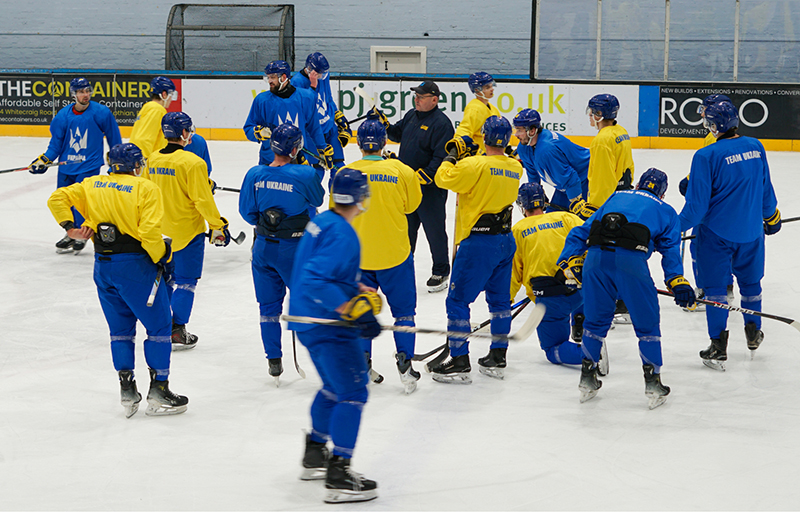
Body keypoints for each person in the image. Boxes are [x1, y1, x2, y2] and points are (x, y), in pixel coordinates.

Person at [46, 143, 188, 417]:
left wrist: (69, 227)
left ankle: (127, 389)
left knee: (120, 330)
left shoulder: (92, 183)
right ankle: (159, 389)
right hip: (135, 267)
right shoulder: (145, 188)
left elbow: (57, 198)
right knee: (159, 328)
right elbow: (148, 233)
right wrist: (163, 255)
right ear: (136, 166)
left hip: (103, 266)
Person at [557, 168, 696, 409]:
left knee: (595, 321)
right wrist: (677, 281)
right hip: (630, 263)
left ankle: (587, 378)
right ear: (662, 193)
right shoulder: (666, 211)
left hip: (595, 261)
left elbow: (580, 231)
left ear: (639, 184)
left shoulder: (616, 196)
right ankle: (653, 383)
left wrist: (568, 261)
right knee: (647, 323)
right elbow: (670, 251)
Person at [288, 168, 380, 503]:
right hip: (327, 325)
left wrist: (354, 286)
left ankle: (315, 455)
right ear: (359, 198)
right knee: (353, 392)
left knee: (332, 388)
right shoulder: (344, 233)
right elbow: (315, 280)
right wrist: (351, 308)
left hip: (307, 322)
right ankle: (339, 473)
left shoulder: (322, 222)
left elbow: (319, 269)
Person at [678, 100, 781, 371]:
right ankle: (753, 332)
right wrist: (771, 216)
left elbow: (696, 209)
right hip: (751, 232)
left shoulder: (705, 156)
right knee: (751, 285)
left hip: (716, 235)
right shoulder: (756, 146)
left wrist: (672, 228)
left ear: (713, 125)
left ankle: (718, 345)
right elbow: (765, 189)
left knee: (714, 290)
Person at [430, 115, 522, 383]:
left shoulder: (473, 164)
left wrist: (451, 155)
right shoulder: (514, 167)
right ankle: (498, 355)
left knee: (458, 301)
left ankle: (459, 360)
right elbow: (497, 165)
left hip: (478, 243)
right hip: (505, 241)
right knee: (500, 302)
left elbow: (442, 178)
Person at [238, 123, 325, 385]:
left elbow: (247, 213)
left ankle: (273, 361)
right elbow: (318, 200)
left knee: (267, 308)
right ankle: (324, 360)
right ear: (297, 148)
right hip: (294, 249)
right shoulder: (305, 174)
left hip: (264, 247)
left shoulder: (255, 174)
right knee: (308, 303)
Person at [346, 114, 423, 394]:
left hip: (359, 258)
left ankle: (361, 362)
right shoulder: (401, 170)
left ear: (358, 143)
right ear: (384, 142)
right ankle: (405, 362)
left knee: (361, 310)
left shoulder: (346, 173)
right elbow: (412, 205)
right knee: (404, 313)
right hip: (395, 255)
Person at [143, 111, 232, 350]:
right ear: (184, 133)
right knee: (186, 282)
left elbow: (145, 192)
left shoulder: (151, 159)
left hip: (160, 232)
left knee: (166, 280)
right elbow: (202, 201)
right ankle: (177, 329)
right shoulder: (193, 163)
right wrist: (217, 225)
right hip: (188, 232)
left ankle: (161, 326)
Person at [29, 77, 122, 254]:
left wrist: (116, 163)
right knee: (63, 201)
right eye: (81, 92)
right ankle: (71, 233)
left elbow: (114, 139)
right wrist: (43, 160)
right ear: (74, 94)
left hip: (89, 165)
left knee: (82, 205)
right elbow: (55, 145)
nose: (85, 95)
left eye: (87, 91)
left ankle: (82, 234)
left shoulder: (101, 112)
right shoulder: (63, 116)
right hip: (66, 166)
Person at [378, 80, 455, 293]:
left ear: (434, 99)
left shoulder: (442, 124)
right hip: (407, 188)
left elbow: (442, 156)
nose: (417, 99)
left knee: (435, 231)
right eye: (416, 96)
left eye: (421, 96)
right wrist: (384, 124)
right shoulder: (412, 115)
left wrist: (425, 175)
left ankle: (441, 271)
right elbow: (395, 134)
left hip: (430, 191)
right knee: (406, 230)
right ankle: (403, 267)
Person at [510, 182, 587, 365]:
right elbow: (589, 243)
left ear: (522, 206)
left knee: (553, 349)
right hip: (581, 294)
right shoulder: (567, 218)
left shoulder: (518, 230)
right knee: (578, 277)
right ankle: (580, 321)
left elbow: (512, 273)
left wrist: (506, 300)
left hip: (551, 299)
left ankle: (588, 354)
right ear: (544, 202)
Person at [678, 94, 735, 311]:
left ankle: (705, 288)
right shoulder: (726, 136)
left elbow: (708, 171)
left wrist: (690, 182)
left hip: (710, 204)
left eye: (704, 109)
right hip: (726, 204)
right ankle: (727, 286)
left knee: (700, 246)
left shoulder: (713, 138)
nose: (701, 113)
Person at [586, 93, 636, 323]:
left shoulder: (601, 140)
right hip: (623, 197)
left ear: (599, 114)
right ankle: (623, 300)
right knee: (619, 252)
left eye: (591, 112)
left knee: (604, 254)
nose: (589, 116)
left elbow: (602, 178)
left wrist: (594, 207)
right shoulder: (621, 132)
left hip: (608, 203)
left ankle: (614, 302)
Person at [243, 60, 331, 176]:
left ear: (284, 77)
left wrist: (322, 149)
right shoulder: (261, 100)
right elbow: (249, 127)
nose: (269, 81)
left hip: (298, 161)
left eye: (273, 77)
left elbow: (314, 128)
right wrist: (258, 132)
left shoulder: (306, 97)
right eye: (268, 77)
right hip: (270, 161)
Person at [513, 108, 590, 216]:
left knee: (580, 226)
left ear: (532, 131)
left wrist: (576, 202)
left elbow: (572, 179)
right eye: (516, 130)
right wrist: (536, 192)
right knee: (552, 222)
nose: (516, 134)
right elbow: (532, 173)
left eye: (520, 130)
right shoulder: (524, 147)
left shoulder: (546, 151)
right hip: (566, 185)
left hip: (587, 179)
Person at [291, 52, 349, 181]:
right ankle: (309, 200)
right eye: (320, 73)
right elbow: (304, 110)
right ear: (309, 69)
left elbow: (328, 98)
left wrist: (337, 115)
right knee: (317, 169)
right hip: (312, 134)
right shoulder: (297, 82)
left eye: (324, 73)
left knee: (338, 167)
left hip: (329, 128)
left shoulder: (324, 76)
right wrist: (313, 86)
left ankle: (336, 200)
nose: (323, 76)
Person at [129, 76, 176, 159]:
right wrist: (143, 162)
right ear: (164, 94)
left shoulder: (147, 107)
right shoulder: (157, 110)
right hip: (149, 162)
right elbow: (144, 139)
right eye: (171, 95)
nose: (171, 99)